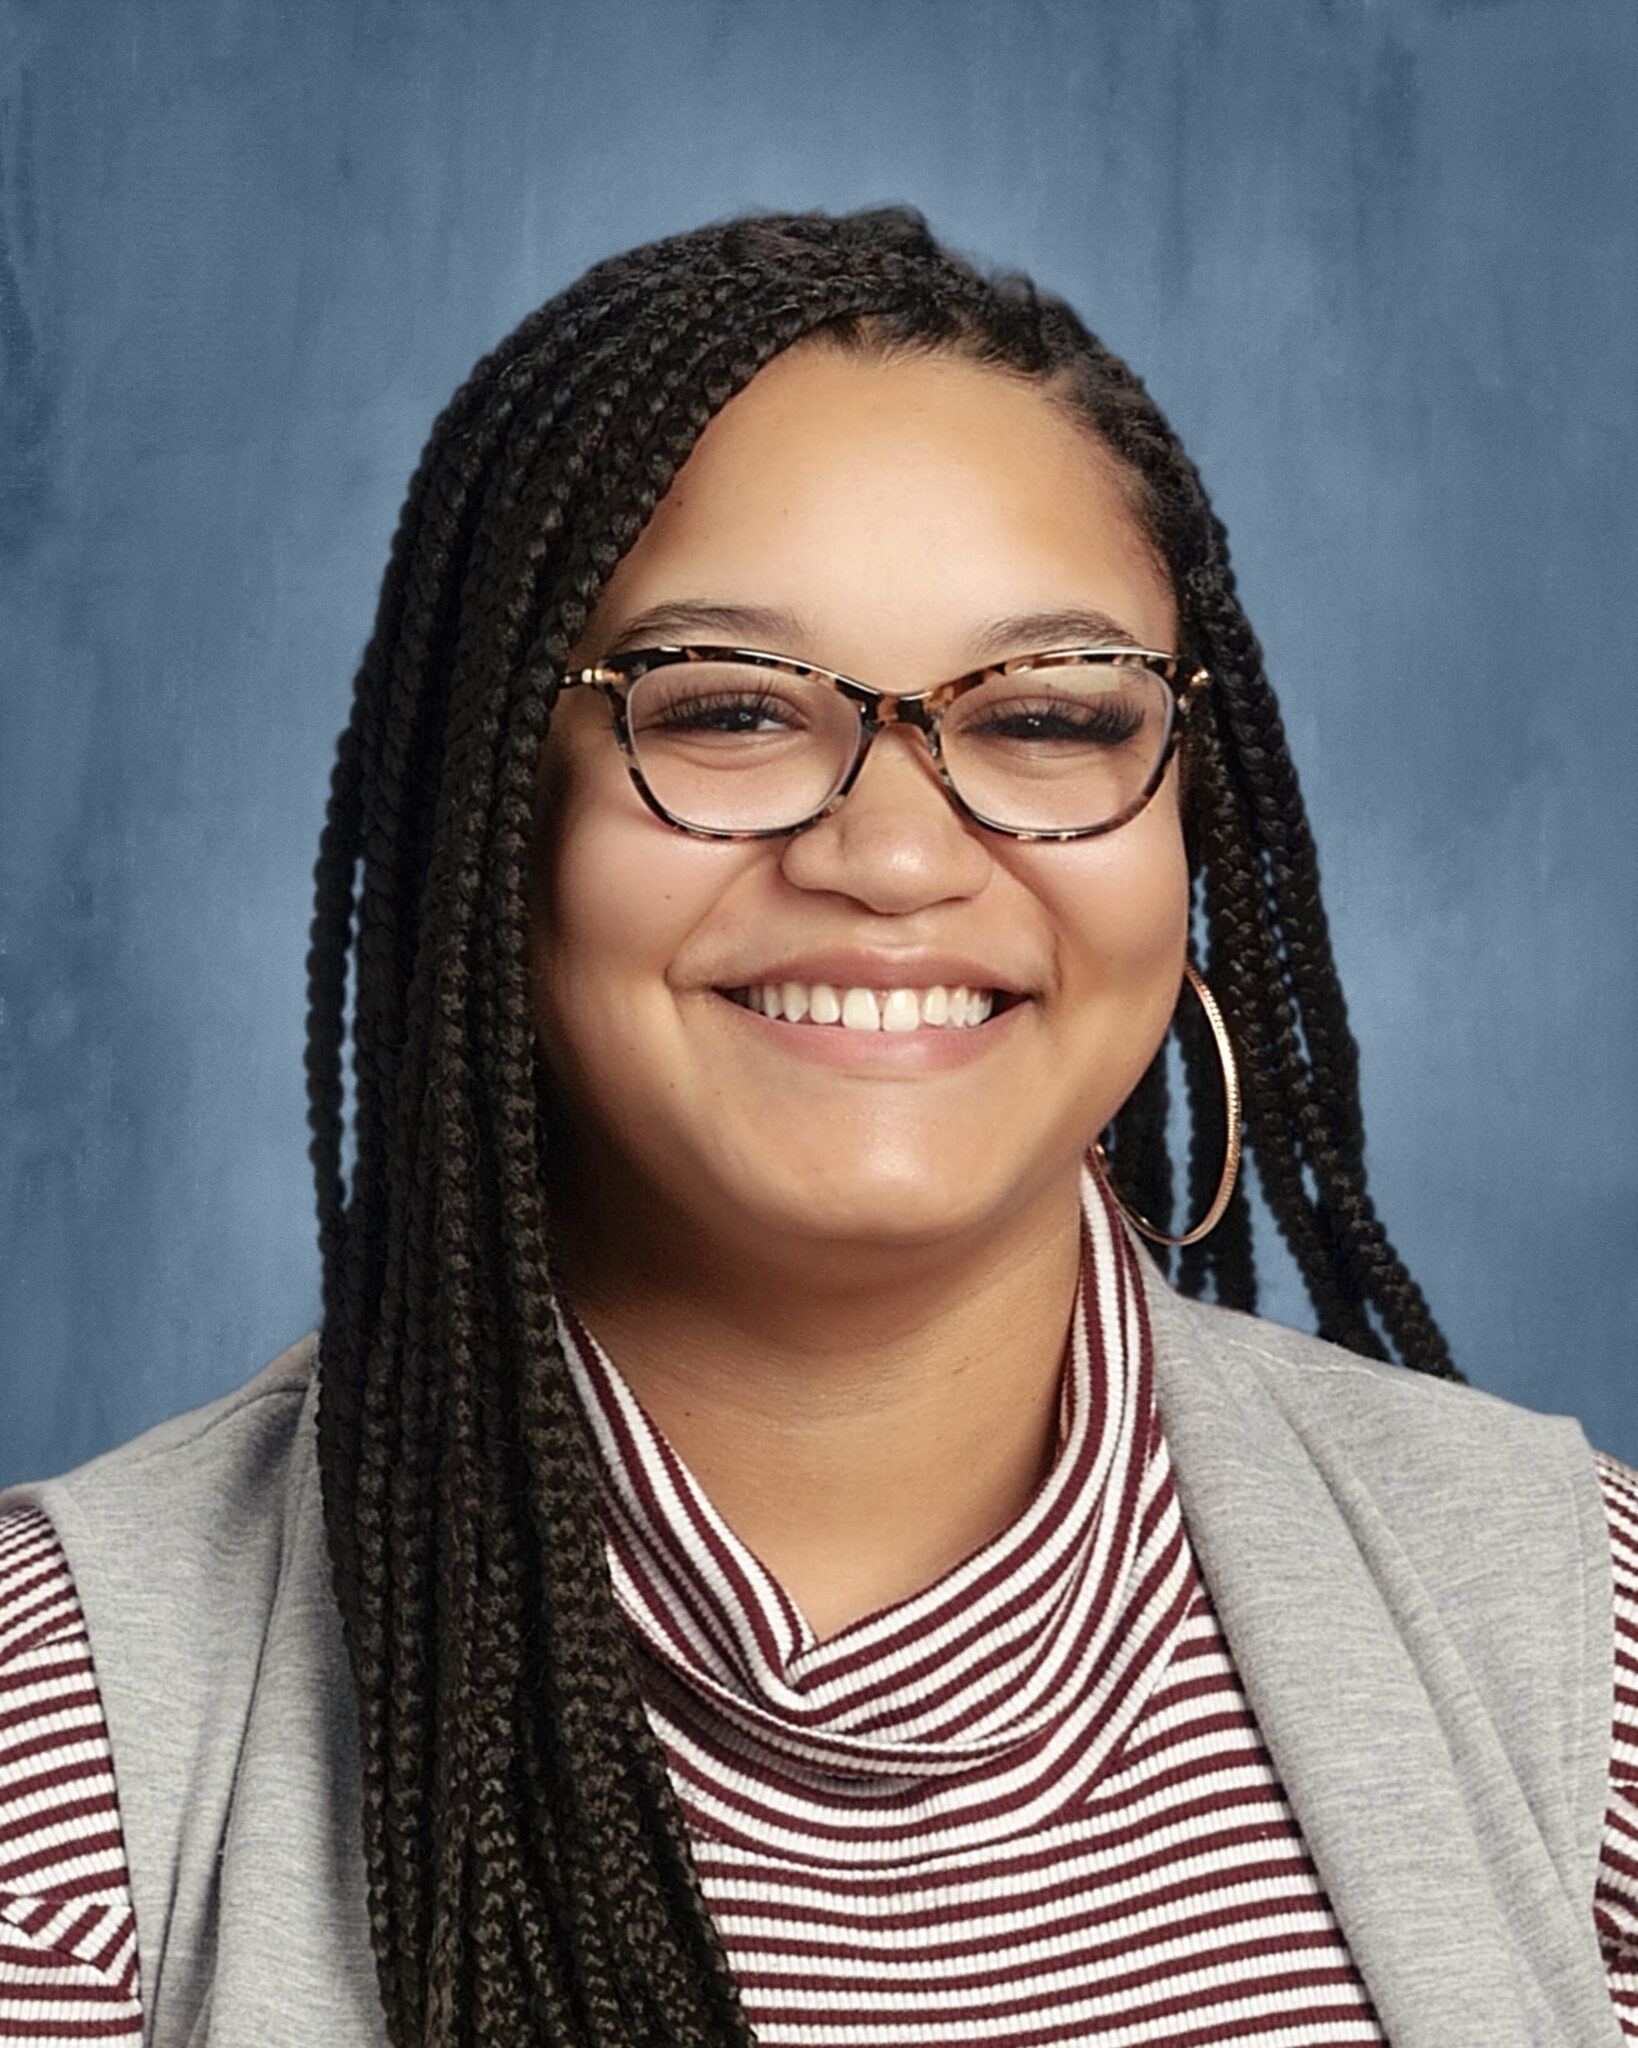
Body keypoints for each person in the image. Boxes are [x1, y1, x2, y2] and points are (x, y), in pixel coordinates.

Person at [1, 207, 1633, 2048]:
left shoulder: (1580, 1650)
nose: (894, 854)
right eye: (724, 710)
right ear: (491, 829)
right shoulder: (52, 1750)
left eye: (1045, 717)